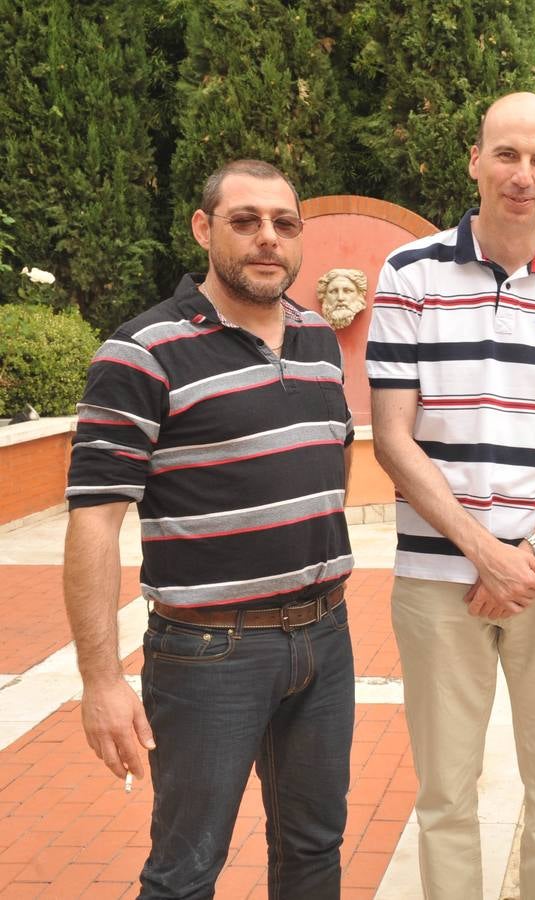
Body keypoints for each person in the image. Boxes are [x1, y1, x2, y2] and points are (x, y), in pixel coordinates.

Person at [365, 92, 535, 900]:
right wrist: (483, 551)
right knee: (445, 796)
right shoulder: (408, 272)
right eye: (508, 154)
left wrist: (531, 554)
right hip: (436, 577)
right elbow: (392, 437)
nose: (523, 175)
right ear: (475, 160)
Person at [62, 158, 356, 898]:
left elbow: (330, 463)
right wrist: (101, 680)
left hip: (325, 637)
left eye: (284, 223)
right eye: (245, 221)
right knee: (185, 873)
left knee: (315, 849)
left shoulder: (319, 339)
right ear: (203, 228)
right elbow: (94, 521)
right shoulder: (142, 352)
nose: (268, 238)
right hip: (209, 653)